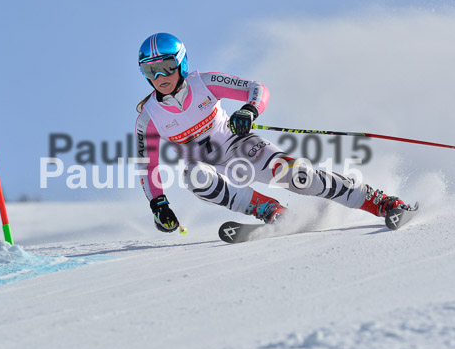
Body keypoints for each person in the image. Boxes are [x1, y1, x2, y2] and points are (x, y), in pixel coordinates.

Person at [135, 32, 412, 233]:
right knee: (193, 176)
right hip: (206, 168)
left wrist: (249, 110)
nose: (160, 78)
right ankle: (267, 209)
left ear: (181, 63)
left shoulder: (204, 83)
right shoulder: (149, 116)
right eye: (151, 71)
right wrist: (158, 204)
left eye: (166, 67)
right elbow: (148, 165)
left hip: (239, 147)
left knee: (300, 178)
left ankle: (379, 202)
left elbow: (257, 88)